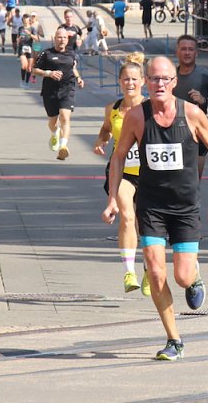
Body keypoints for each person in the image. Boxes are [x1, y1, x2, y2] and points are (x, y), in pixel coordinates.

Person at [102, 56, 208, 360]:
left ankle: (194, 276)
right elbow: (118, 156)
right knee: (156, 273)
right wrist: (112, 198)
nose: (159, 84)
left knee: (182, 277)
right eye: (154, 78)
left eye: (165, 79)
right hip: (151, 206)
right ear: (147, 82)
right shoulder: (136, 117)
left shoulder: (192, 113)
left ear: (174, 82)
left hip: (185, 207)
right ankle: (174, 339)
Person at [94, 56, 148, 295]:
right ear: (119, 81)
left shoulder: (151, 108)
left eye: (134, 79)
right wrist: (101, 140)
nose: (130, 83)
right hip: (122, 171)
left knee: (144, 224)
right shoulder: (112, 109)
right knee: (127, 216)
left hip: (148, 173)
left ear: (143, 82)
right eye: (126, 79)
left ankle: (148, 268)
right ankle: (129, 272)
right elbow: (106, 129)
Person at [173, 35, 208, 177]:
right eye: (183, 49)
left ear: (196, 53)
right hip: (171, 134)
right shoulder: (169, 76)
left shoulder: (205, 76)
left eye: (190, 49)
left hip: (196, 135)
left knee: (192, 182)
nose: (187, 53)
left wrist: (205, 101)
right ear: (177, 52)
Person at [33, 26, 85, 161]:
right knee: (52, 122)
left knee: (65, 117)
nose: (62, 40)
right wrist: (48, 73)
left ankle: (63, 146)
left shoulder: (71, 54)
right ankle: (55, 132)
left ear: (67, 40)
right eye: (59, 37)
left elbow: (73, 68)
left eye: (64, 38)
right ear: (54, 39)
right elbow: (34, 70)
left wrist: (78, 78)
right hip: (50, 91)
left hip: (67, 89)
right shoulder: (46, 54)